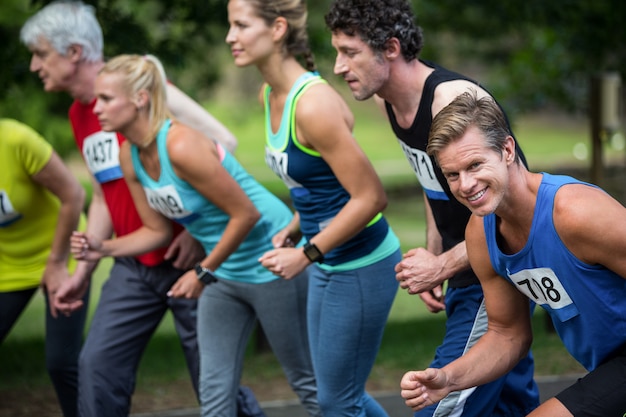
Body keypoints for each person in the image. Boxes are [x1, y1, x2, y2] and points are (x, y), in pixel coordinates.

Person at [19, 2, 261, 416]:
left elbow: (222, 144)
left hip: (188, 262)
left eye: (41, 53)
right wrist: (83, 272)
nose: (33, 65)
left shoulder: (140, 87)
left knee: (214, 384)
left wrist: (190, 232)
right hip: (134, 266)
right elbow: (102, 194)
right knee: (97, 370)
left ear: (73, 52)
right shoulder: (83, 112)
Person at [70, 53, 320, 417]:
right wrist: (102, 247)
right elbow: (155, 232)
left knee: (308, 385)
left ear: (140, 98)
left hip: (272, 260)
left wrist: (203, 271)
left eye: (106, 99)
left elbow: (245, 214)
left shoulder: (182, 145)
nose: (97, 109)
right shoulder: (130, 155)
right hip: (223, 273)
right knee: (214, 394)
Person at [325, 1, 540, 416]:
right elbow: (431, 179)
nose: (338, 66)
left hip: (491, 274)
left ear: (390, 48)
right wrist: (434, 251)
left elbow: (518, 209)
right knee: (509, 406)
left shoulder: (454, 99)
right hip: (465, 270)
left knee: (439, 404)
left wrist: (441, 265)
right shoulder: (387, 100)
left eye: (350, 52)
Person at [401, 89, 626, 417]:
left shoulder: (575, 213)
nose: (465, 184)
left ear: (507, 150)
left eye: (475, 164)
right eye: (452, 174)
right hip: (608, 363)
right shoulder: (481, 233)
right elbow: (508, 334)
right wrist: (450, 379)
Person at [226, 1, 402, 416]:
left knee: (337, 400)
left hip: (361, 264)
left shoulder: (312, 104)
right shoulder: (270, 93)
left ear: (277, 29)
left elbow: (371, 197)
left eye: (240, 25)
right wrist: (295, 224)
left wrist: (304, 254)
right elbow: (319, 184)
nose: (231, 36)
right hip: (327, 261)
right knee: (337, 397)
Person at [0, 117, 88, 417]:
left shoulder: (15, 139)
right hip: (7, 266)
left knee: (61, 363)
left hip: (62, 254)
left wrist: (57, 262)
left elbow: (74, 195)